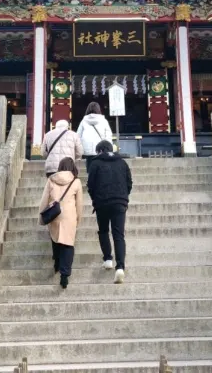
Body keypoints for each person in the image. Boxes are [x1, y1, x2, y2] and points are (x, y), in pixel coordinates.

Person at [87, 140, 132, 284]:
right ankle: (120, 268)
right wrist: (124, 197)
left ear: (99, 150)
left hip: (102, 203)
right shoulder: (122, 163)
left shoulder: (95, 163)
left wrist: (95, 198)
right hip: (119, 202)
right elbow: (129, 182)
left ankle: (107, 259)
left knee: (104, 231)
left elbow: (91, 185)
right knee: (119, 235)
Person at [38, 157, 83, 289]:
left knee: (55, 238)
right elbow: (79, 204)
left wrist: (41, 217)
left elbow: (44, 199)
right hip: (69, 215)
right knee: (68, 244)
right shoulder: (76, 181)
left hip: (54, 213)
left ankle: (57, 262)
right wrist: (78, 219)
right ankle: (64, 275)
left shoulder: (51, 179)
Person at [76, 102, 113, 172]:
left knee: (90, 168)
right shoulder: (103, 121)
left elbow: (78, 136)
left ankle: (90, 180)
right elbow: (108, 135)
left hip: (87, 148)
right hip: (101, 148)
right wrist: (108, 147)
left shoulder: (83, 121)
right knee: (101, 168)